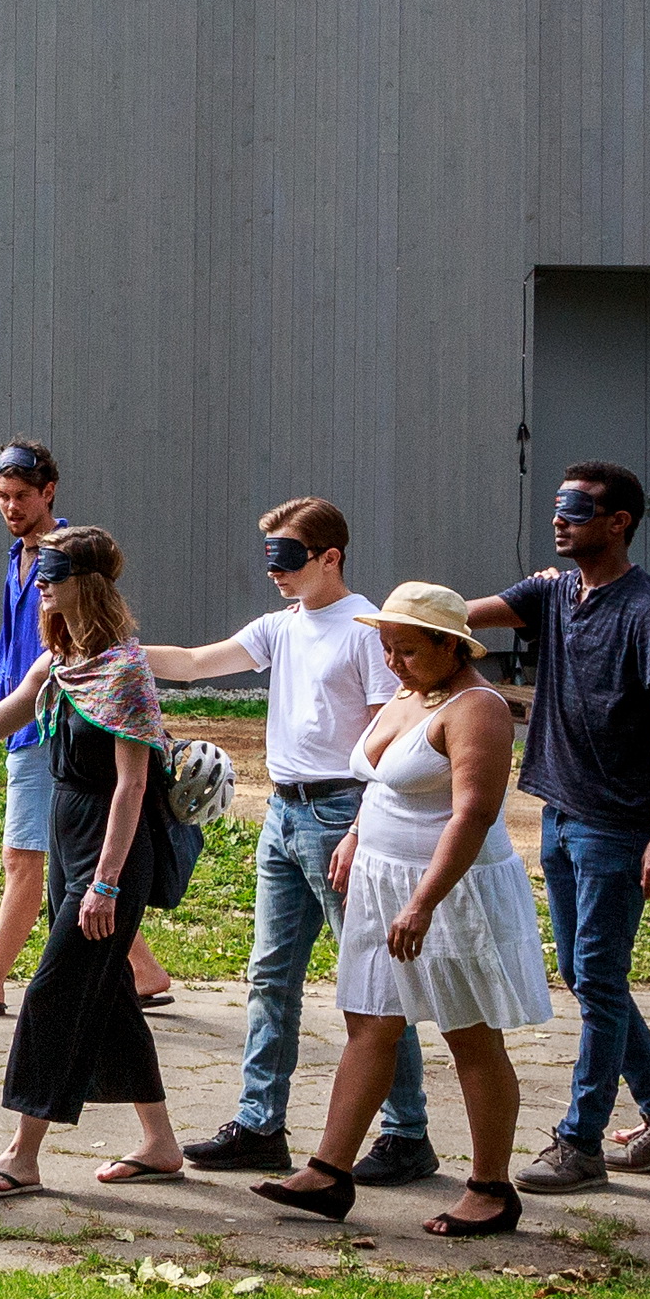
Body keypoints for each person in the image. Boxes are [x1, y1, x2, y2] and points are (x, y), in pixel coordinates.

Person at [0, 525, 187, 1194]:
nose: (40, 581)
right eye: (40, 571)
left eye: (53, 572)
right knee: (106, 1001)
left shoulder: (124, 671)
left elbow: (132, 786)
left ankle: (22, 1153)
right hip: (69, 842)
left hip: (110, 856)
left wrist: (104, 884)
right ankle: (161, 1142)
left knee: (50, 995)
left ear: (88, 582)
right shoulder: (56, 662)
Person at [244, 582, 547, 1237]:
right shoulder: (411, 691)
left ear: (452, 644)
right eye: (386, 646)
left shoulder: (479, 708)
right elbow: (382, 780)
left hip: (449, 888)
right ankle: (329, 1172)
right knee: (370, 1023)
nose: (392, 661)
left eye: (406, 648)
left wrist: (423, 901)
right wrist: (355, 834)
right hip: (383, 880)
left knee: (469, 1033)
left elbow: (473, 814)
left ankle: (492, 1188)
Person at [158, 498, 434, 1184]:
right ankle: (259, 1125)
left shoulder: (365, 629)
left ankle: (408, 1132)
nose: (274, 570)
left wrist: (362, 828)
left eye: (287, 557)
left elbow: (389, 739)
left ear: (329, 558)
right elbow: (194, 662)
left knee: (371, 985)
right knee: (270, 975)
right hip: (283, 814)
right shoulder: (284, 626)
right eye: (270, 557)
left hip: (341, 812)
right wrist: (110, 655)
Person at [466, 460, 650, 1195]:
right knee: (587, 974)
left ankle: (582, 1141)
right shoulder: (553, 591)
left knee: (598, 978)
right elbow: (464, 614)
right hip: (560, 812)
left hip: (616, 825)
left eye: (576, 509)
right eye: (559, 508)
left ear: (618, 522)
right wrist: (402, 614)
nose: (560, 520)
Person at [0, 441, 170, 1020]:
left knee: (22, 858)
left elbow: (77, 651)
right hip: (22, 717)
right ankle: (143, 970)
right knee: (56, 862)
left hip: (54, 727)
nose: (10, 507)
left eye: (21, 496)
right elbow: (14, 644)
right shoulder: (18, 558)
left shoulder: (66, 558)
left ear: (48, 491)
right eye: (2, 497)